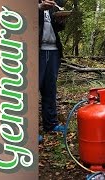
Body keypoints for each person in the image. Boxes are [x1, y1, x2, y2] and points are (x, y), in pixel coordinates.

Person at [38, 0, 66, 138]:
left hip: (53, 50)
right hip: (36, 51)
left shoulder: (52, 5)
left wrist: (60, 20)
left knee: (50, 89)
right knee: (31, 89)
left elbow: (57, 28)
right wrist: (39, 8)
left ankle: (51, 124)